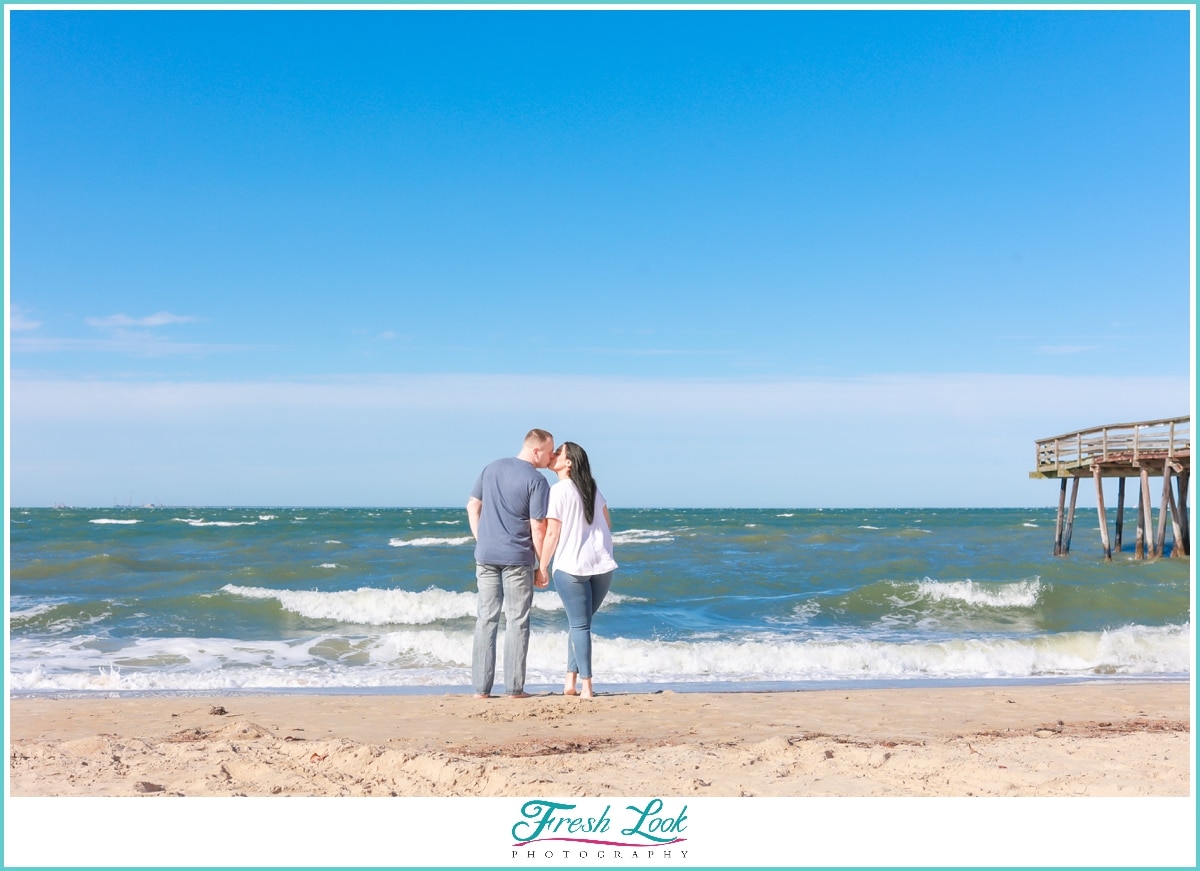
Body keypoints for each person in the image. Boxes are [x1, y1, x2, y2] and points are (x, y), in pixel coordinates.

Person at [467, 428, 555, 699]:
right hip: (517, 559)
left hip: (486, 556)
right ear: (536, 450)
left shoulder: (491, 468)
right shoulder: (537, 481)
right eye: (550, 451)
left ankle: (481, 690)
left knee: (486, 619)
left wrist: (482, 538)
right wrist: (543, 566)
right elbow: (537, 527)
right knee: (517, 621)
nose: (551, 457)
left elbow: (472, 505)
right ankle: (515, 689)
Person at [536, 441, 618, 699]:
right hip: (602, 565)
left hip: (571, 566)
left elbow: (552, 533)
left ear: (568, 462)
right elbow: (607, 521)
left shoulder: (558, 490)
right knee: (580, 625)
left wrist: (543, 566)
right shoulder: (592, 488)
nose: (553, 456)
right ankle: (570, 681)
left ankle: (587, 686)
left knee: (580, 626)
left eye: (557, 453)